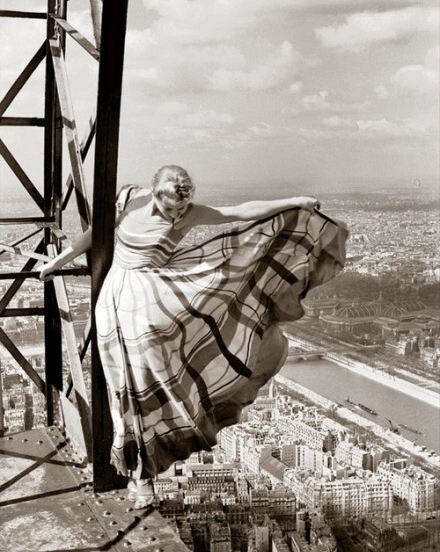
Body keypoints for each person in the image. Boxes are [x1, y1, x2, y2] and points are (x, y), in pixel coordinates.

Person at [39, 164, 348, 509]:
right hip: (114, 298)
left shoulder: (188, 215)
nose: (175, 215)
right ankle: (137, 463)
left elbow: (241, 212)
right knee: (119, 384)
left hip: (149, 304)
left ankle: (143, 475)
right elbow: (97, 233)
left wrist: (294, 201)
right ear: (153, 194)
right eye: (169, 209)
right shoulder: (129, 198)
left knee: (141, 385)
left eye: (181, 210)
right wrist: (58, 262)